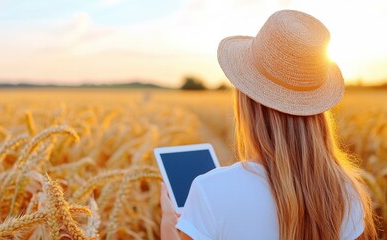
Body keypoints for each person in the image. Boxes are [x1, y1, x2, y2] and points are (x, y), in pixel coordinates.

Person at [160, 9, 377, 240]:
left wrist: (167, 224)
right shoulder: (348, 191)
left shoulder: (209, 192)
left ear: (246, 101)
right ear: (316, 112)